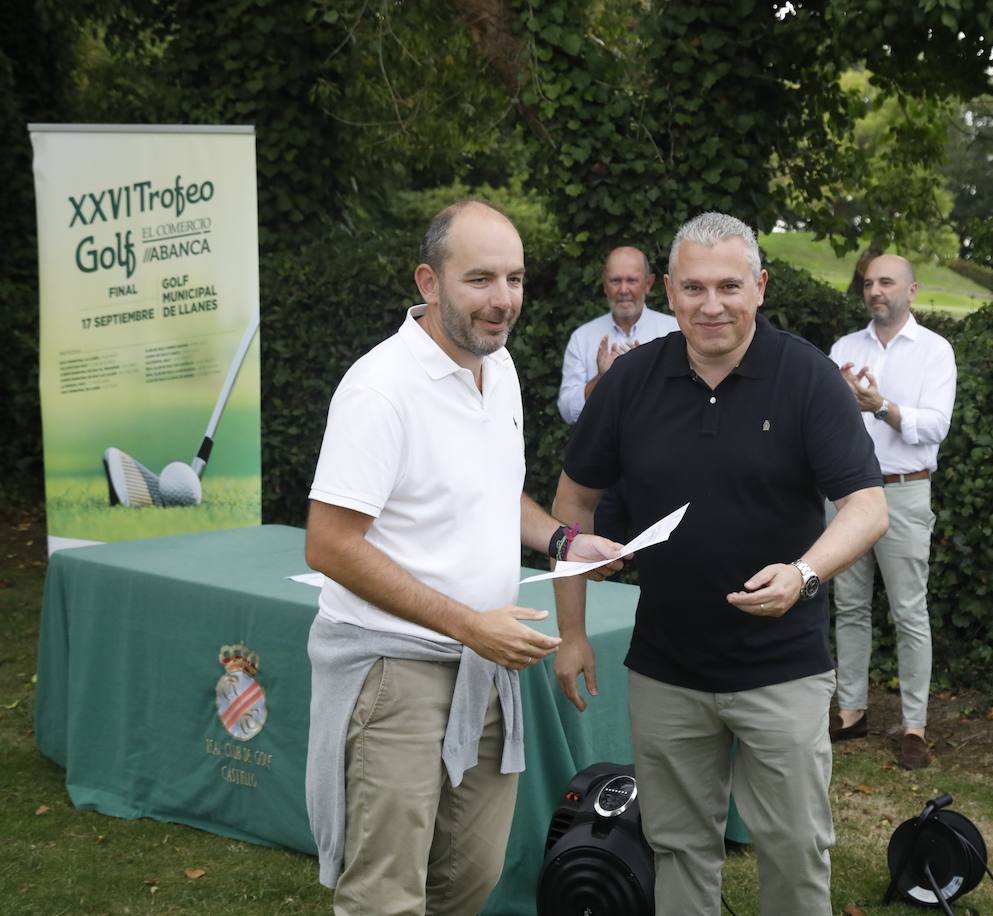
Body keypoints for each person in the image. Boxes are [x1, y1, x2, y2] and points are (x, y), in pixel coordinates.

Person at [550, 212, 889, 916]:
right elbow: (573, 504)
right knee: (677, 848)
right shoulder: (631, 381)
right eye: (695, 288)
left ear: (760, 287)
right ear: (667, 292)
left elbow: (865, 506)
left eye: (730, 286)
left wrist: (804, 574)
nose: (712, 305)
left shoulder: (806, 377)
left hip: (783, 667)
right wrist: (573, 633)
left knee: (796, 847)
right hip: (667, 669)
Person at [302, 199, 622, 915]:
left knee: (468, 880)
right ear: (429, 281)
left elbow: (495, 492)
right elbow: (329, 542)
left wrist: (564, 540)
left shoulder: (496, 366)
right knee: (385, 895)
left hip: (482, 666)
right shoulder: (381, 389)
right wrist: (469, 625)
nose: (502, 299)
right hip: (393, 672)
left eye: (514, 278)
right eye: (480, 279)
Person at [826, 253, 957, 770]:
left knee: (908, 612)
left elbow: (935, 425)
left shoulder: (934, 351)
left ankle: (914, 727)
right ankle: (852, 712)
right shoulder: (843, 349)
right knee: (850, 604)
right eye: (869, 282)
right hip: (846, 493)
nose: (874, 290)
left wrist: (880, 406)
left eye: (886, 282)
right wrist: (840, 399)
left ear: (912, 290)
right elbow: (822, 422)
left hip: (904, 490)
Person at [557, 246, 678, 543]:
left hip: (662, 468)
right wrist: (604, 379)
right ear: (604, 284)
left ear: (648, 283)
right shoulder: (584, 338)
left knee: (666, 556)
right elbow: (568, 410)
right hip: (602, 474)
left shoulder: (674, 331)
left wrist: (641, 377)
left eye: (632, 280)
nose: (624, 290)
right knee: (600, 559)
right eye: (615, 281)